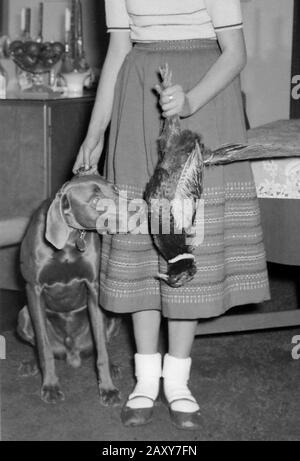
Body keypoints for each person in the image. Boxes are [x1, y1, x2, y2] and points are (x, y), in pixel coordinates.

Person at [73, 0, 270, 430]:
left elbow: (235, 52)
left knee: (184, 234)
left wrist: (191, 98)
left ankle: (178, 381)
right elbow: (119, 49)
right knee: (142, 237)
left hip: (204, 97)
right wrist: (95, 130)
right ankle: (146, 380)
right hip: (137, 100)